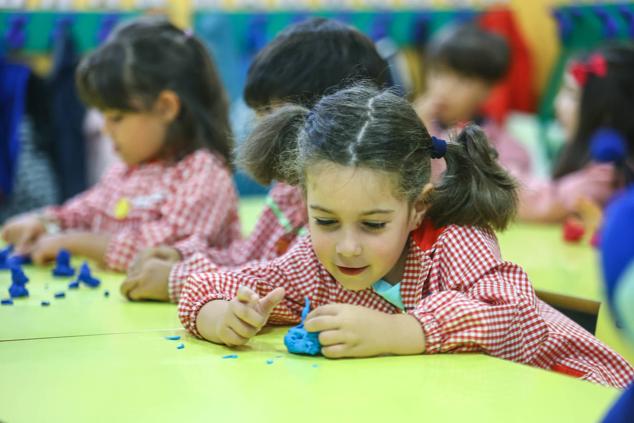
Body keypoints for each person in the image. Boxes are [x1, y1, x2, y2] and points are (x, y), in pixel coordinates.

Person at [179, 84, 633, 389]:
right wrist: (220, 316)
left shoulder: (454, 241)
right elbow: (215, 281)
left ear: (417, 206)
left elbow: (513, 312)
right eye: (326, 220)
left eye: (373, 224)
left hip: (576, 392)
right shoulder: (313, 263)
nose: (347, 247)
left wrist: (403, 330)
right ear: (305, 204)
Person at [121, 17, 391, 301]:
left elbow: (298, 285)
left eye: (272, 117)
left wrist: (179, 279)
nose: (260, 130)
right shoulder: (288, 188)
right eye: (259, 115)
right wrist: (182, 255)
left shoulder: (341, 198)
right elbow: (252, 254)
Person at [1, 17, 240, 271]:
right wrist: (44, 222)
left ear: (165, 107)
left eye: (116, 117)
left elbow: (162, 254)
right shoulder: (127, 172)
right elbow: (86, 210)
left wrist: (71, 243)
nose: (105, 128)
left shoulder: (203, 173)